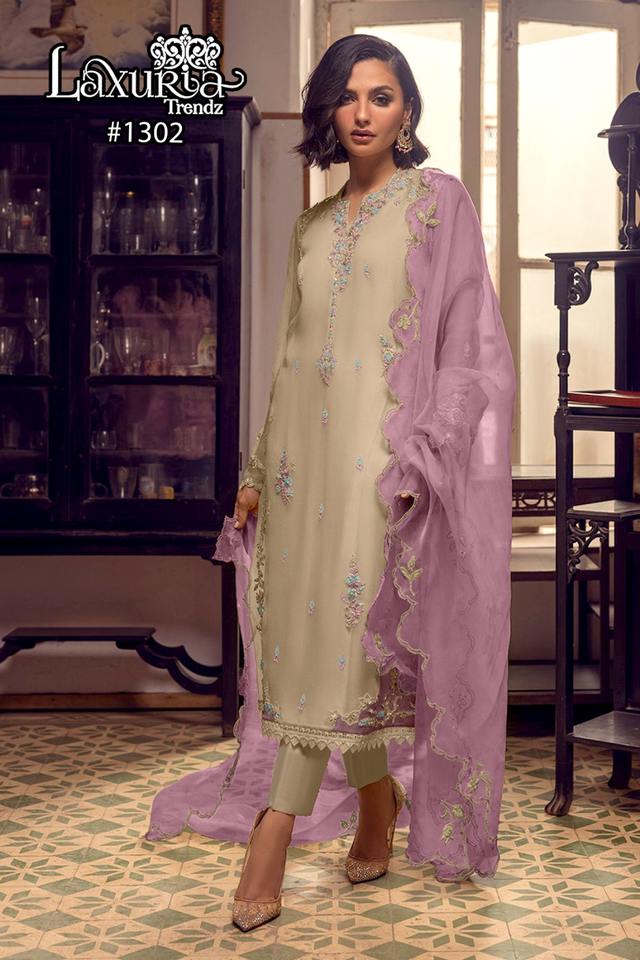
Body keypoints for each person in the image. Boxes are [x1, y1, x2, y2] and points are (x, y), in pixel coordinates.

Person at [146, 33, 516, 932]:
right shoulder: (312, 228)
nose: (362, 113)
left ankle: (271, 834)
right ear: (326, 111)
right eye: (347, 97)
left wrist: (428, 451)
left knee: (347, 644)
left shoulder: (437, 204)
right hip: (300, 473)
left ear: (408, 110)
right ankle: (378, 802)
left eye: (381, 96)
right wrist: (255, 473)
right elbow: (290, 359)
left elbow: (469, 343)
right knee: (317, 645)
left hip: (383, 467)